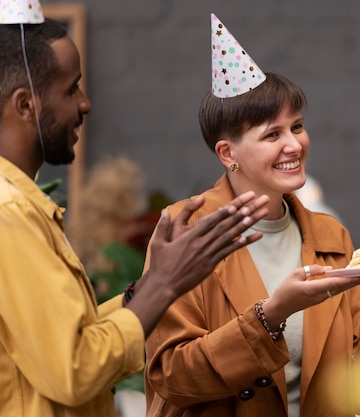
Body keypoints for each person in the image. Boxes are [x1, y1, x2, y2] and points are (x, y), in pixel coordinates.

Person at [143, 16, 360, 417]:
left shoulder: (331, 237)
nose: (294, 144)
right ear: (228, 154)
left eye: (298, 126)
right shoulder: (185, 230)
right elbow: (172, 377)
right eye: (272, 135)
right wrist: (271, 315)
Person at [0, 17, 270, 417]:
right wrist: (164, 283)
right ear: (26, 104)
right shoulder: (11, 214)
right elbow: (75, 369)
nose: (85, 103)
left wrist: (145, 288)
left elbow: (67, 338)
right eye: (71, 88)